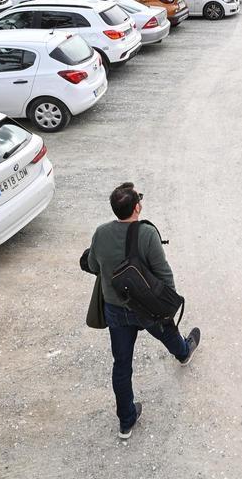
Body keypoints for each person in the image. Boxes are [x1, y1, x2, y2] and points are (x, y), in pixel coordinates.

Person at [87, 182, 200, 439]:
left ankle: (126, 421)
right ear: (137, 206)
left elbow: (93, 265)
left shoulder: (100, 233)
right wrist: (167, 308)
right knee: (169, 335)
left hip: (115, 309)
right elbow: (163, 273)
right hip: (147, 308)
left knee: (122, 365)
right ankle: (183, 353)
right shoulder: (147, 234)